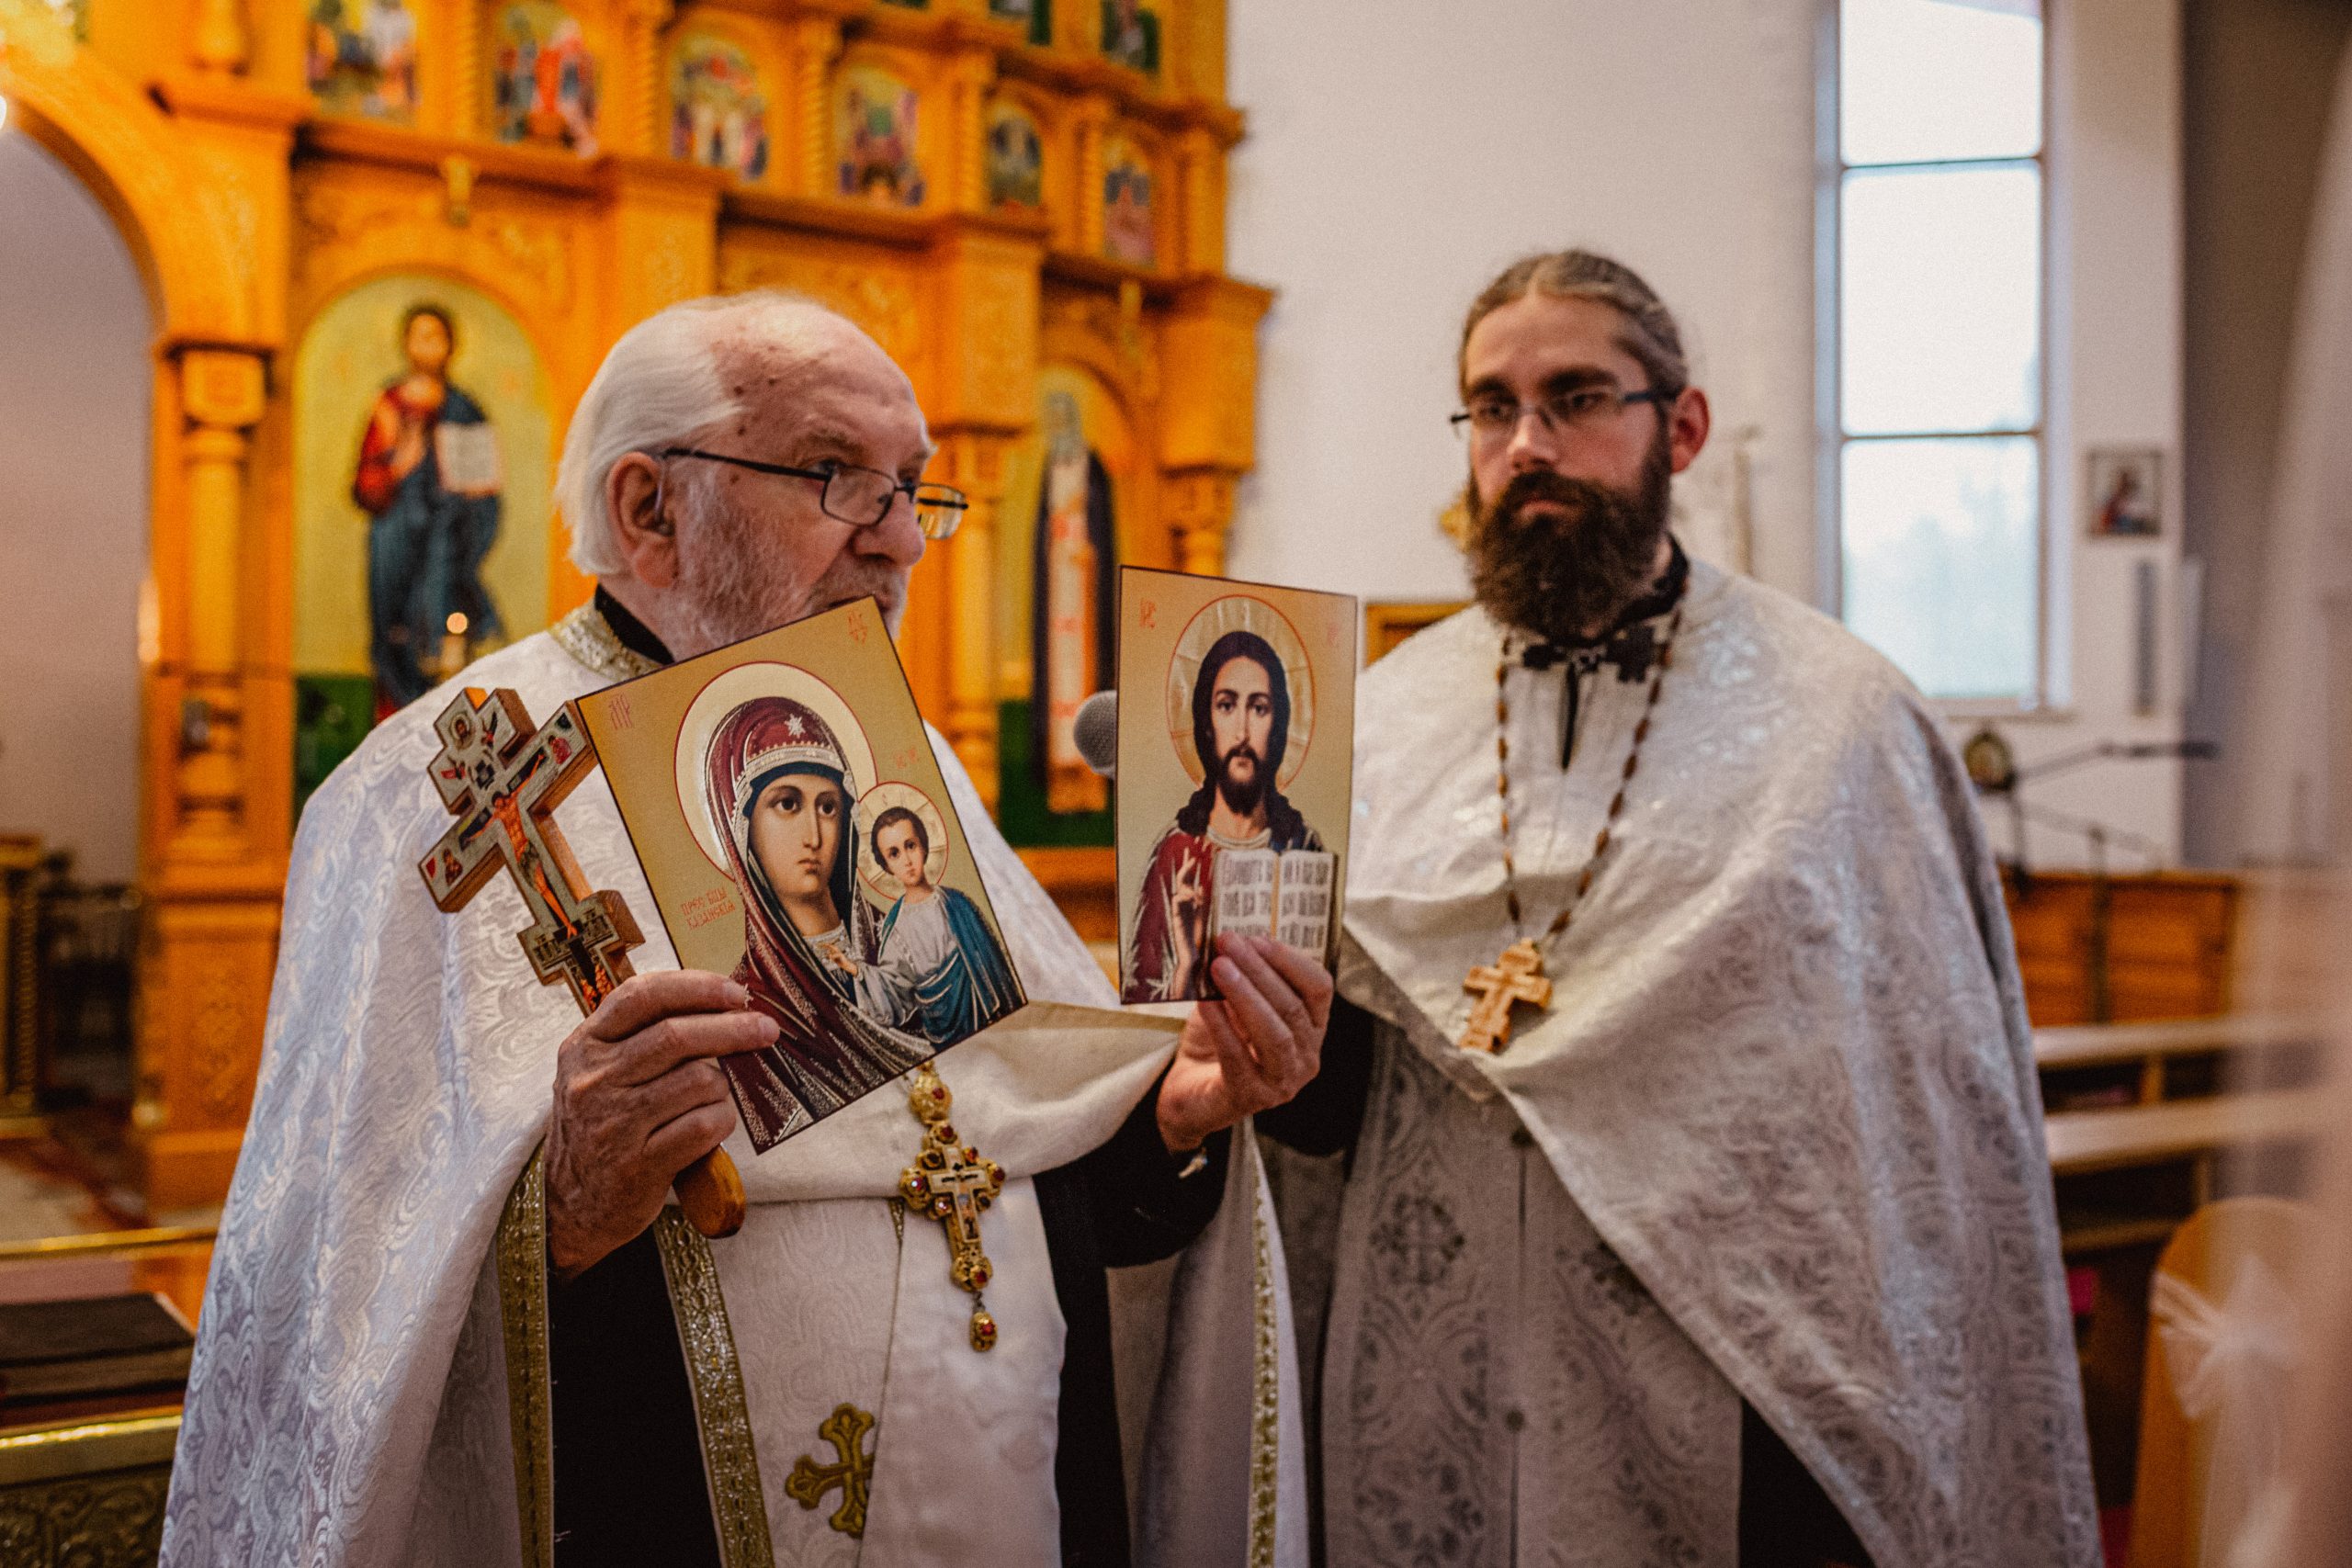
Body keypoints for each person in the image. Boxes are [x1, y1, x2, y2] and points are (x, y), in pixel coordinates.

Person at [164, 291, 1332, 1567]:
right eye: (839, 477)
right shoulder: (416, 796)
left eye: (912, 490)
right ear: (648, 507)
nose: (901, 542)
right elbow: (338, 1319)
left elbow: (1020, 1130)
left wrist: (1173, 1111)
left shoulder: (914, 758)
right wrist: (560, 1210)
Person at [1258, 251, 2098, 1567]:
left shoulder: (1843, 719)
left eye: (1577, 396)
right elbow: (1330, 1097)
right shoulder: (1377, 716)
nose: (1528, 443)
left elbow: (1910, 1118)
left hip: (1722, 1375)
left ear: (1681, 426)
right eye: (1492, 406)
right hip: (1431, 1361)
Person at [701, 695, 935, 1145]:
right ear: (740, 828)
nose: (813, 834)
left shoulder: (911, 936)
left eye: (828, 807)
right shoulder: (744, 1017)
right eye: (787, 804)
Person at [1124, 628, 1328, 1003]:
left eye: (1259, 707)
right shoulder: (1177, 854)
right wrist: (1188, 962)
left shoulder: (1302, 846)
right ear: (1206, 721)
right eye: (1226, 705)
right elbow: (1142, 1003)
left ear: (1278, 726)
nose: (1243, 731)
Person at [351, 303, 503, 710]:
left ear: (450, 345)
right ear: (405, 344)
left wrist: (471, 504)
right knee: (395, 637)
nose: (427, 346)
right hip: (397, 540)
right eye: (419, 336)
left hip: (447, 543)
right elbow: (365, 486)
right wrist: (399, 464)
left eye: (436, 336)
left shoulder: (464, 410)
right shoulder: (389, 407)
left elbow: (485, 493)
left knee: (449, 635)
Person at [856, 803, 1023, 1047]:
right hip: (940, 1040)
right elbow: (894, 988)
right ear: (886, 865)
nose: (907, 860)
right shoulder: (896, 927)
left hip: (988, 1026)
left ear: (923, 846)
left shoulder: (958, 904)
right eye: (894, 854)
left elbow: (993, 967)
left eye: (910, 846)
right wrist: (857, 971)